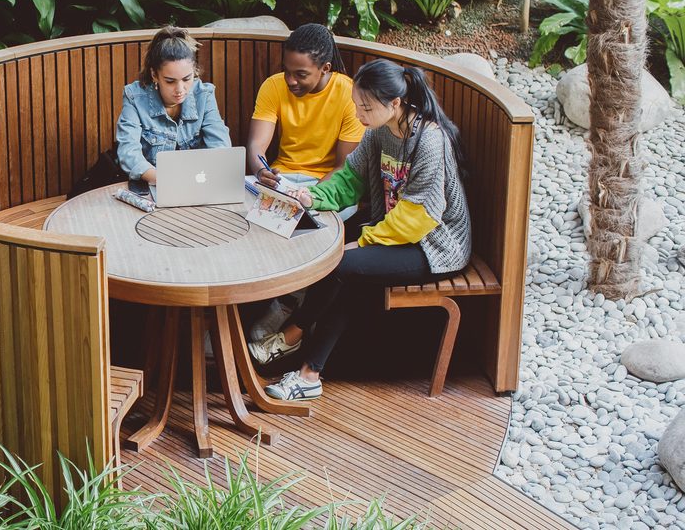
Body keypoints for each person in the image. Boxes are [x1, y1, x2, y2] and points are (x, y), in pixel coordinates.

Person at [247, 58, 473, 402]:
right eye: (356, 105)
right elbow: (349, 180)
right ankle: (308, 371)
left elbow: (418, 219)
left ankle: (293, 340)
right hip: (395, 233)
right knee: (347, 269)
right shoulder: (379, 131)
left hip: (434, 245)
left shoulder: (429, 141)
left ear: (395, 103)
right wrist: (313, 197)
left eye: (365, 107)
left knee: (343, 264)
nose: (359, 114)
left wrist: (363, 242)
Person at [246, 23, 364, 198]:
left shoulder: (349, 94)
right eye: (287, 71)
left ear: (325, 68)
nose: (291, 80)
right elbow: (256, 144)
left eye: (301, 75)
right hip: (283, 180)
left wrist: (310, 195)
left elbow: (343, 167)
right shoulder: (273, 86)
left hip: (328, 183)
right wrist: (261, 171)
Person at [116, 26, 230, 184]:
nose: (180, 89)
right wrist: (168, 181)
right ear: (154, 75)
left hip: (197, 184)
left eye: (187, 79)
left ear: (195, 71)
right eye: (170, 81)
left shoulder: (204, 94)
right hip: (152, 184)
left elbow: (220, 146)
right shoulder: (134, 96)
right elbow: (129, 152)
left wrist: (197, 179)